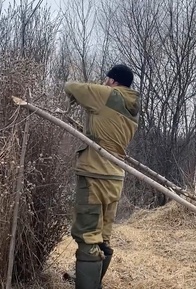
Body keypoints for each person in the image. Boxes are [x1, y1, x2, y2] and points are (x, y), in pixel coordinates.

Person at [64, 64, 140, 289]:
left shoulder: (107, 94)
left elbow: (71, 87)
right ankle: (93, 283)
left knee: (88, 236)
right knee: (103, 237)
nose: (104, 82)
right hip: (115, 177)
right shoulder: (132, 107)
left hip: (94, 175)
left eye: (107, 79)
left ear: (113, 81)